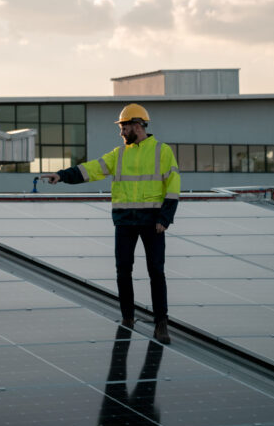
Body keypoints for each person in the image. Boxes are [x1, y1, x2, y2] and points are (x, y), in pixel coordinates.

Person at [42, 104, 179, 344]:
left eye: (124, 127)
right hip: (125, 221)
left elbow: (173, 185)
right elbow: (91, 169)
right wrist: (62, 175)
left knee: (156, 272)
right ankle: (128, 318)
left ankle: (161, 323)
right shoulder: (119, 154)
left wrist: (165, 218)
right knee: (123, 270)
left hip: (152, 222)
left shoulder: (162, 151)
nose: (121, 132)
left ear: (137, 125)